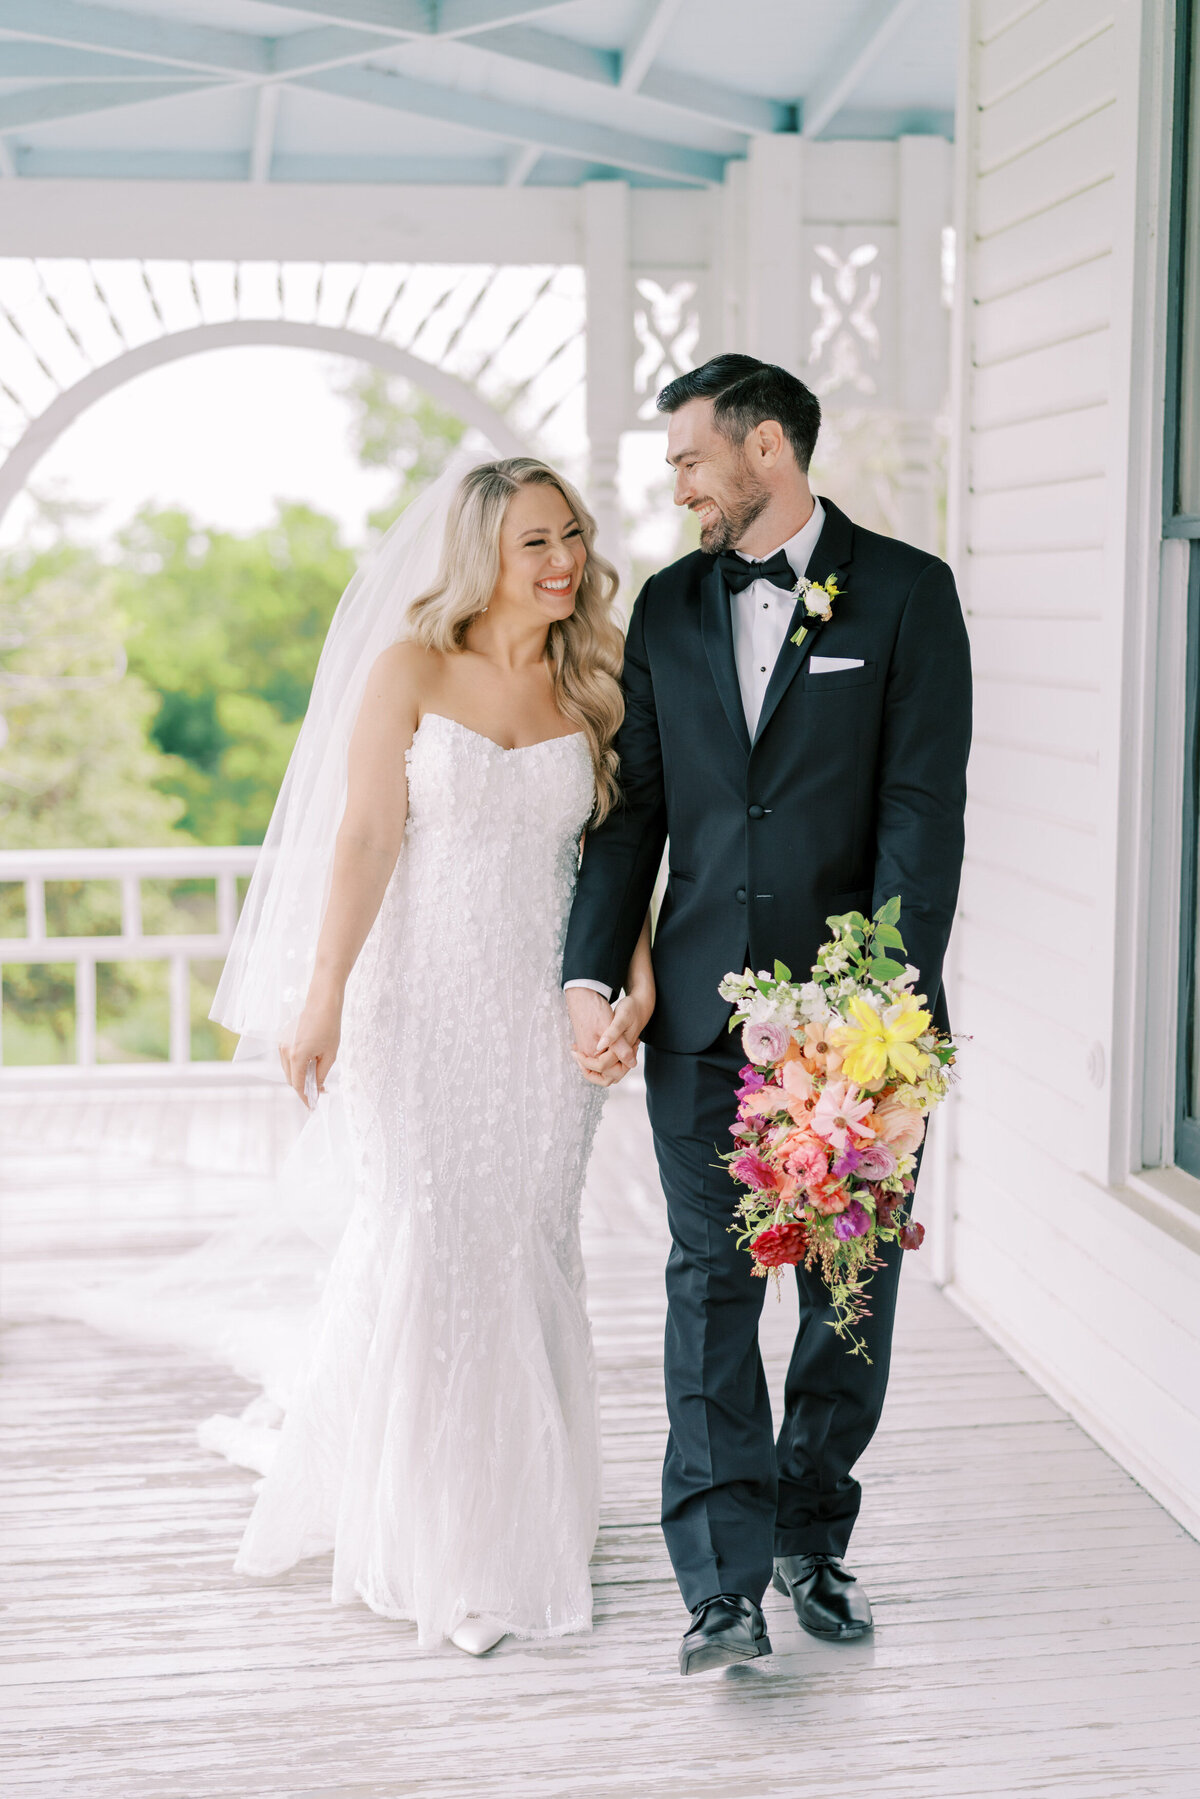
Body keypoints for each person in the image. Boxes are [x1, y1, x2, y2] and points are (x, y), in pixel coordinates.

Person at [564, 355, 972, 1676]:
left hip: (859, 1021)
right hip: (698, 1018)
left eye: (689, 455)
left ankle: (811, 1536)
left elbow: (923, 818)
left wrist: (879, 1015)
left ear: (768, 450)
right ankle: (723, 1584)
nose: (673, 482)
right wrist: (589, 966)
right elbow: (636, 813)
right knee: (711, 1287)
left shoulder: (908, 593)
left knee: (845, 1294)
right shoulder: (674, 606)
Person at [212, 456, 655, 1657]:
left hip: (544, 1009)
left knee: (526, 1240)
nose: (563, 560)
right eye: (533, 544)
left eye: (570, 535)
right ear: (479, 556)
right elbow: (363, 834)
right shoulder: (407, 666)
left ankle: (523, 1519)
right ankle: (441, 1542)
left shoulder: (601, 677)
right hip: (418, 997)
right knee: (429, 1232)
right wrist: (324, 996)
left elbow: (625, 850)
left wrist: (639, 980)